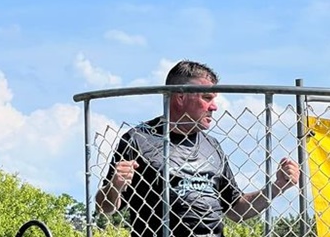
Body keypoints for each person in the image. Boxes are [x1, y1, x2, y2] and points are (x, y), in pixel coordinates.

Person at [96, 60, 299, 237]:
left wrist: (277, 186)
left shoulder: (212, 146)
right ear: (180, 97)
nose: (214, 107)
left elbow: (236, 209)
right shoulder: (139, 140)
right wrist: (116, 185)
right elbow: (104, 207)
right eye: (206, 98)